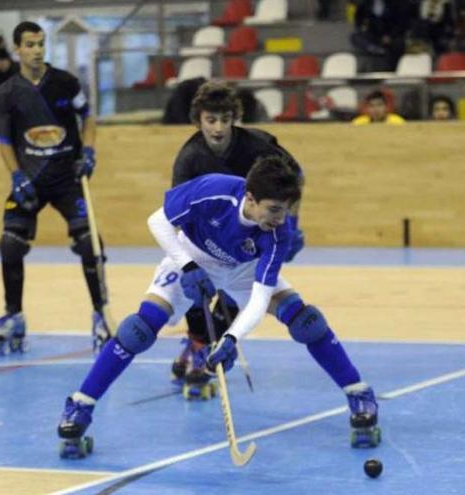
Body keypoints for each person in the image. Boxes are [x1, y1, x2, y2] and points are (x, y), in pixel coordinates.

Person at [56, 155, 382, 458]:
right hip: (193, 255)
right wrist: (187, 266)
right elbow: (158, 221)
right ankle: (79, 406)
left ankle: (359, 393)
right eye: (273, 210)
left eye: (285, 210)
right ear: (250, 199)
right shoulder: (214, 190)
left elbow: (259, 297)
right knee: (137, 330)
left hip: (244, 270)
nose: (281, 219)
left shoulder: (278, 232)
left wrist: (231, 339)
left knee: (306, 322)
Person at [168, 81, 304, 393]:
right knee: (194, 287)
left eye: (225, 120)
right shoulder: (189, 158)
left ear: (234, 118)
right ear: (198, 119)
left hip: (253, 235)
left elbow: (296, 177)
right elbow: (176, 215)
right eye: (210, 120)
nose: (218, 128)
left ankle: (208, 345)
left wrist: (291, 223)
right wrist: (186, 261)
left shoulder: (258, 145)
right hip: (206, 236)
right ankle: (197, 342)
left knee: (235, 293)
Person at [0, 22, 108, 355]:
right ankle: (14, 317)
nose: (37, 50)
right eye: (30, 44)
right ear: (18, 49)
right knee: (9, 245)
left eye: (41, 43)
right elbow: (2, 141)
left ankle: (101, 315)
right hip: (28, 181)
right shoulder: (6, 93)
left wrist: (88, 150)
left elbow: (87, 116)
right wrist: (16, 176)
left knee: (91, 245)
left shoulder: (66, 83)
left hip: (66, 182)